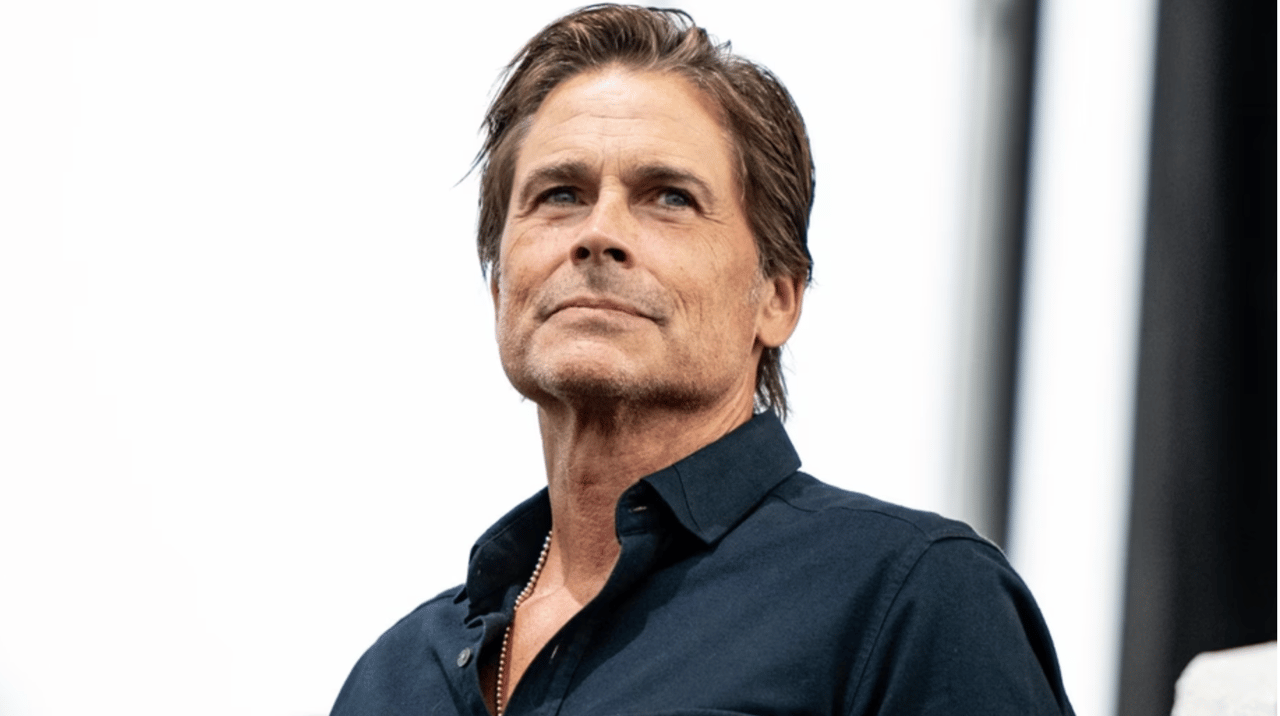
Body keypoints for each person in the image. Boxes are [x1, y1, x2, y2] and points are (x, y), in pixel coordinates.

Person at [330, 5, 1075, 715]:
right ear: (500, 287)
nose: (598, 234)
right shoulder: (392, 677)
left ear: (777, 298)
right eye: (560, 194)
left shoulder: (914, 596)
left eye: (669, 198)